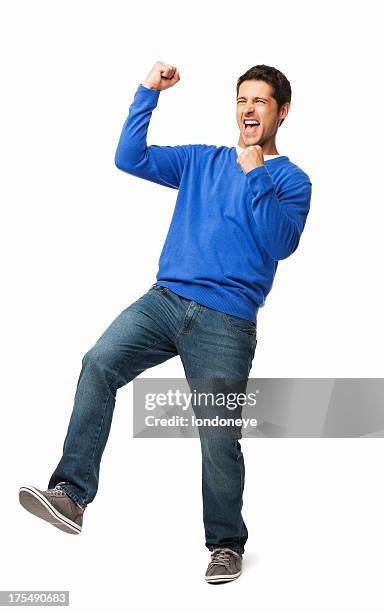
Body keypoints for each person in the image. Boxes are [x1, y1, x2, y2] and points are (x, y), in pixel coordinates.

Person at [19, 60, 312, 584]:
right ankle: (70, 495)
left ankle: (226, 544)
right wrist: (147, 92)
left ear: (282, 111)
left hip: (228, 320)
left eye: (260, 101)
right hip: (166, 300)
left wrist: (256, 173)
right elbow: (129, 158)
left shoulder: (291, 179)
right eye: (242, 99)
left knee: (218, 436)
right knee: (98, 363)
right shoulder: (201, 161)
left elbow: (279, 242)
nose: (248, 109)